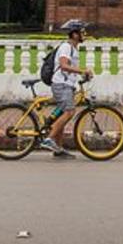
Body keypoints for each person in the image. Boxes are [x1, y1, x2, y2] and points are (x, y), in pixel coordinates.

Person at [40, 19, 93, 160]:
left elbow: (68, 69)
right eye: (82, 31)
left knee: (61, 115)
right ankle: (49, 139)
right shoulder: (66, 47)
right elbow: (63, 66)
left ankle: (58, 150)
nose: (84, 34)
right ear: (75, 34)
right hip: (60, 84)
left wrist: (80, 76)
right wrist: (82, 71)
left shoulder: (73, 49)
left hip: (65, 84)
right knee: (69, 112)